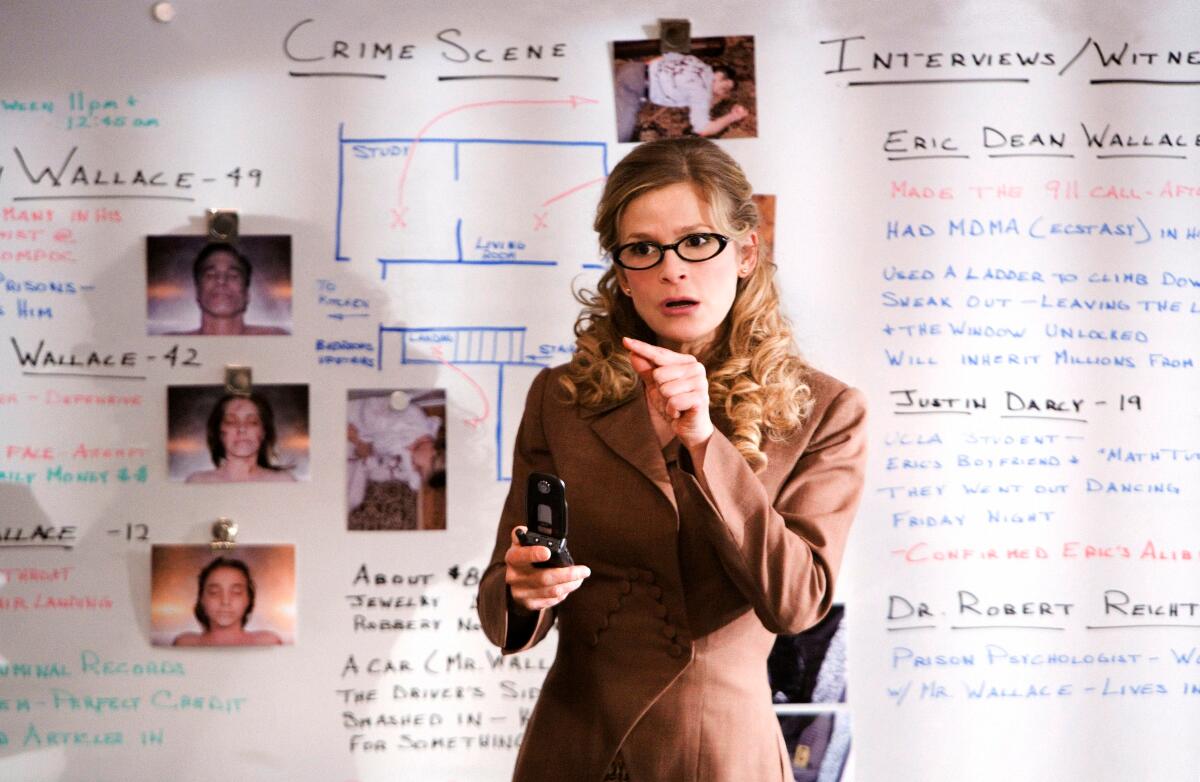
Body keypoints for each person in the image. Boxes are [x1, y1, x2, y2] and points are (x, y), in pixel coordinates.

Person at [478, 138, 867, 781]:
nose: (672, 270)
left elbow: (798, 603)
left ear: (745, 252)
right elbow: (500, 606)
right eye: (643, 249)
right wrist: (523, 589)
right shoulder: (562, 397)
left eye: (697, 241)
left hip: (717, 752)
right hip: (575, 746)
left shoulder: (823, 410)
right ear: (622, 272)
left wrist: (705, 443)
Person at [615, 53, 748, 143]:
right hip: (633, 89)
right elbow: (703, 129)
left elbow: (663, 57)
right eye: (725, 88)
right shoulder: (702, 91)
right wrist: (733, 117)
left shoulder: (694, 60)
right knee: (621, 137)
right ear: (719, 75)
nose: (721, 93)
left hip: (631, 68)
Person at [175, 242, 289, 336]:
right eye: (211, 275)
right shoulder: (171, 344)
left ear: (247, 295)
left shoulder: (276, 339)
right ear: (197, 293)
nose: (221, 280)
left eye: (233, 275)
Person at [186, 392, 297, 483]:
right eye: (231, 422)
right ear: (219, 432)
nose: (242, 429)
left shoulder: (283, 481)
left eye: (252, 422)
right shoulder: (198, 481)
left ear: (263, 432)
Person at [173, 557, 283, 647]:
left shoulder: (267, 642)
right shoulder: (185, 643)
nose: (225, 601)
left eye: (236, 592)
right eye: (214, 592)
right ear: (202, 599)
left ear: (249, 599)